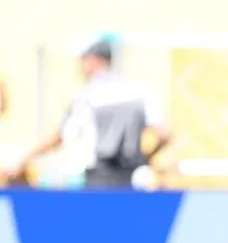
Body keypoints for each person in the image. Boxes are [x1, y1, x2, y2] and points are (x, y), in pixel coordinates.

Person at [8, 37, 172, 189]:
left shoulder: (87, 96)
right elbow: (165, 134)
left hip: (98, 179)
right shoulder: (139, 93)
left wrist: (23, 160)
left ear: (94, 61)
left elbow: (58, 138)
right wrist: (146, 158)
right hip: (132, 178)